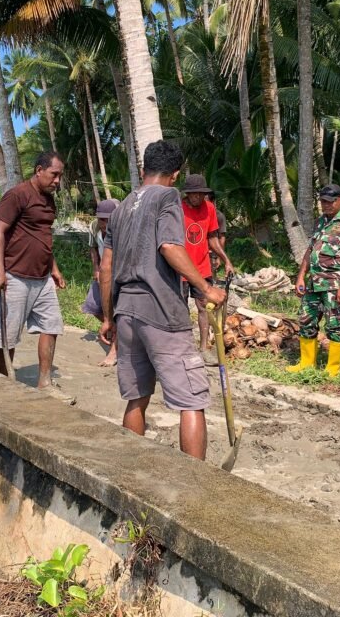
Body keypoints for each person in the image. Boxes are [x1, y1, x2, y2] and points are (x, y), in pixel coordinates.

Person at [99, 141, 226, 460]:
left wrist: (108, 317)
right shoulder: (168, 196)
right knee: (191, 399)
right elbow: (170, 246)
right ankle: (194, 483)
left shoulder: (122, 206)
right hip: (160, 309)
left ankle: (132, 471)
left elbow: (106, 267)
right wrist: (206, 289)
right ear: (175, 175)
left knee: (137, 397)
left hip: (126, 311)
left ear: (143, 170)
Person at [0, 152, 66, 386]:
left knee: (51, 326)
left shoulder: (49, 199)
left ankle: (45, 382)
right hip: (15, 275)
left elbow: (43, 236)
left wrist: (55, 268)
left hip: (42, 277)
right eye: (54, 175)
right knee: (9, 336)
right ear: (39, 170)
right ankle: (6, 383)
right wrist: (0, 272)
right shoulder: (17, 195)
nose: (57, 181)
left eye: (60, 176)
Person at [287, 184, 340, 377]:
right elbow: (310, 249)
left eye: (330, 202)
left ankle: (332, 368)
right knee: (306, 320)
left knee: (335, 325)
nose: (326, 205)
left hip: (334, 286)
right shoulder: (321, 221)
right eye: (323, 202)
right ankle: (306, 363)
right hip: (314, 284)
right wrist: (301, 276)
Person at [180, 175, 234, 352]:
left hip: (202, 267)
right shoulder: (177, 209)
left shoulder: (209, 208)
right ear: (187, 194)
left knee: (204, 306)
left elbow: (212, 238)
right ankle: (184, 346)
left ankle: (203, 348)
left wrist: (226, 260)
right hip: (180, 268)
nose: (197, 197)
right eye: (193, 194)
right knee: (180, 309)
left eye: (201, 194)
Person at [80, 199, 119, 367]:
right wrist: (96, 268)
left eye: (108, 219)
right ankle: (112, 327)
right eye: (102, 219)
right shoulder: (94, 227)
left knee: (118, 312)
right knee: (92, 305)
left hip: (117, 274)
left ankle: (115, 350)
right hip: (103, 273)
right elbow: (93, 249)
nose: (104, 223)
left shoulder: (120, 228)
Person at [207, 193, 228, 278]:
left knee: (210, 277)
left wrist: (219, 257)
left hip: (213, 252)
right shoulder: (198, 213)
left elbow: (222, 238)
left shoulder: (219, 216)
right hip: (200, 251)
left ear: (212, 202)